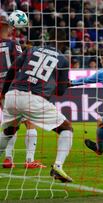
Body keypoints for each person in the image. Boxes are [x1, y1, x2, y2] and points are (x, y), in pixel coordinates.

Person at [0, 30, 74, 182]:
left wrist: (3, 93)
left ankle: (9, 157)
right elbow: (60, 92)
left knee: (9, 130)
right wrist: (65, 84)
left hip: (12, 95)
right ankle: (58, 166)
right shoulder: (63, 60)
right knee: (67, 128)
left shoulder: (30, 50)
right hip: (33, 99)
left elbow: (12, 70)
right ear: (64, 45)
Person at [0, 14, 41, 169]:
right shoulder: (12, 43)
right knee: (30, 122)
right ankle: (29, 160)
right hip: (14, 88)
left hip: (2, 92)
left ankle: (8, 159)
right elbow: (20, 65)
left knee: (11, 124)